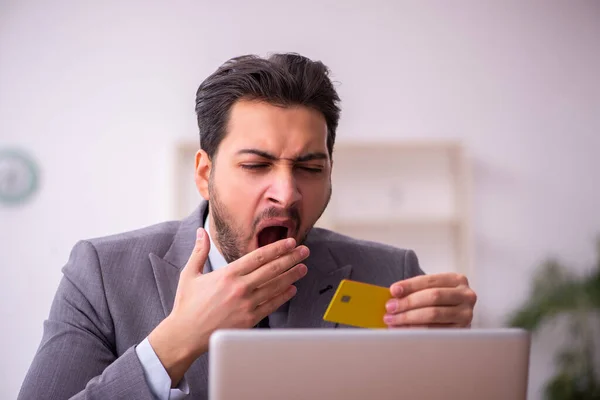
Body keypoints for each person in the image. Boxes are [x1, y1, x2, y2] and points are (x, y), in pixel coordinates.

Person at [18, 53, 477, 400]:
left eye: (310, 168)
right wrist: (173, 345)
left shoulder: (388, 274)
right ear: (204, 173)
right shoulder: (101, 275)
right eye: (257, 165)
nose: (287, 192)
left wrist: (454, 362)